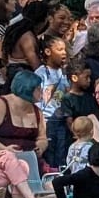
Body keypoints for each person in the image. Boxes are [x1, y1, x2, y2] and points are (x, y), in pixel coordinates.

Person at [34, 34, 70, 169]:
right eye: (60, 50)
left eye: (65, 49)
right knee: (50, 157)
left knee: (62, 156)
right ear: (48, 52)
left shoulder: (64, 73)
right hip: (48, 121)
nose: (64, 53)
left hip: (62, 120)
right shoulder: (41, 73)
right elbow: (38, 100)